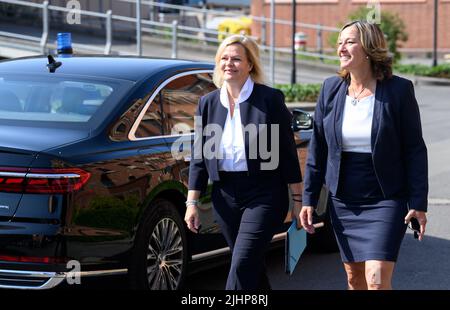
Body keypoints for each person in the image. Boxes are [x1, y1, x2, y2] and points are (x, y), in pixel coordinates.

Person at [300, 20, 428, 290]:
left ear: (369, 47)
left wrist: (418, 201)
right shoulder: (330, 89)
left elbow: (414, 149)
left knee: (376, 278)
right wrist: (309, 199)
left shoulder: (399, 90)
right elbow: (318, 148)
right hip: (343, 199)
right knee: (354, 278)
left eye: (349, 42)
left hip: (386, 197)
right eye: (339, 43)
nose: (341, 48)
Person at [184, 34, 303, 290]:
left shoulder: (269, 99)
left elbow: (287, 151)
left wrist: (297, 200)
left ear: (250, 65)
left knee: (241, 263)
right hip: (225, 197)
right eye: (224, 58)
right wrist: (192, 203)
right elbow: (199, 156)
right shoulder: (207, 103)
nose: (229, 63)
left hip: (264, 194)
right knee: (252, 267)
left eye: (237, 59)